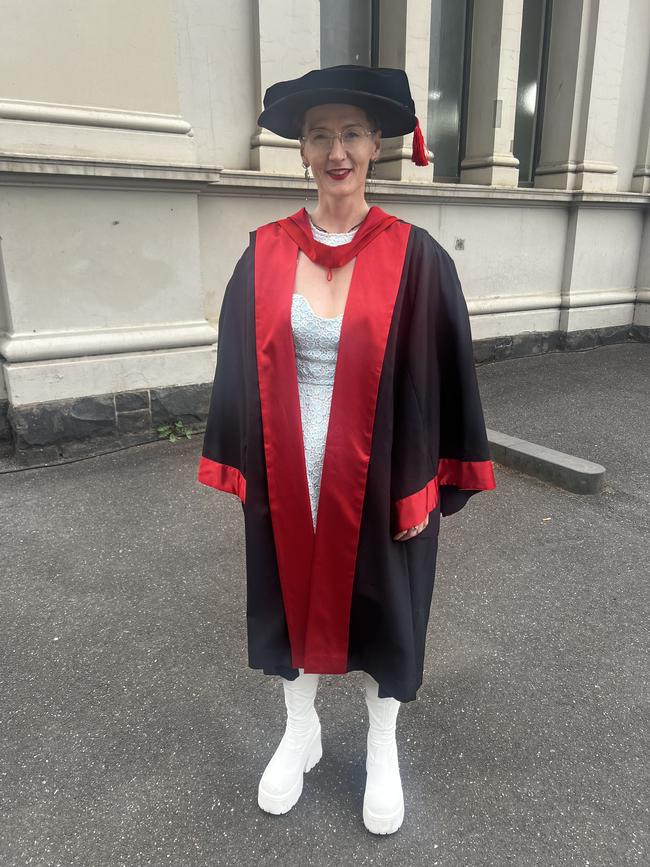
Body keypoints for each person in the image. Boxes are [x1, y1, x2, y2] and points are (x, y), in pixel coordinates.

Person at [197, 65, 497, 834]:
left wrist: (420, 482)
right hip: (289, 472)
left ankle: (383, 745)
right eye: (321, 134)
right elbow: (237, 365)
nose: (338, 150)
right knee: (287, 602)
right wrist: (243, 462)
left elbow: (442, 376)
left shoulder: (417, 257)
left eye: (352, 133)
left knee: (386, 611)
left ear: (376, 146)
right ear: (301, 150)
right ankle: (301, 730)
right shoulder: (264, 253)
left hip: (380, 469)